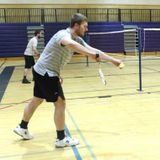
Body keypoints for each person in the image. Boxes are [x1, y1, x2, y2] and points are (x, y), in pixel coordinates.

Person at [14, 13, 123, 148]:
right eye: (84, 26)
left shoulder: (77, 39)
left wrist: (113, 61)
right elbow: (70, 44)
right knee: (60, 103)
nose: (86, 29)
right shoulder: (63, 35)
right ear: (76, 25)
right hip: (46, 72)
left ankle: (22, 127)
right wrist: (90, 55)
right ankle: (61, 138)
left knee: (37, 99)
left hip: (42, 70)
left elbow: (93, 49)